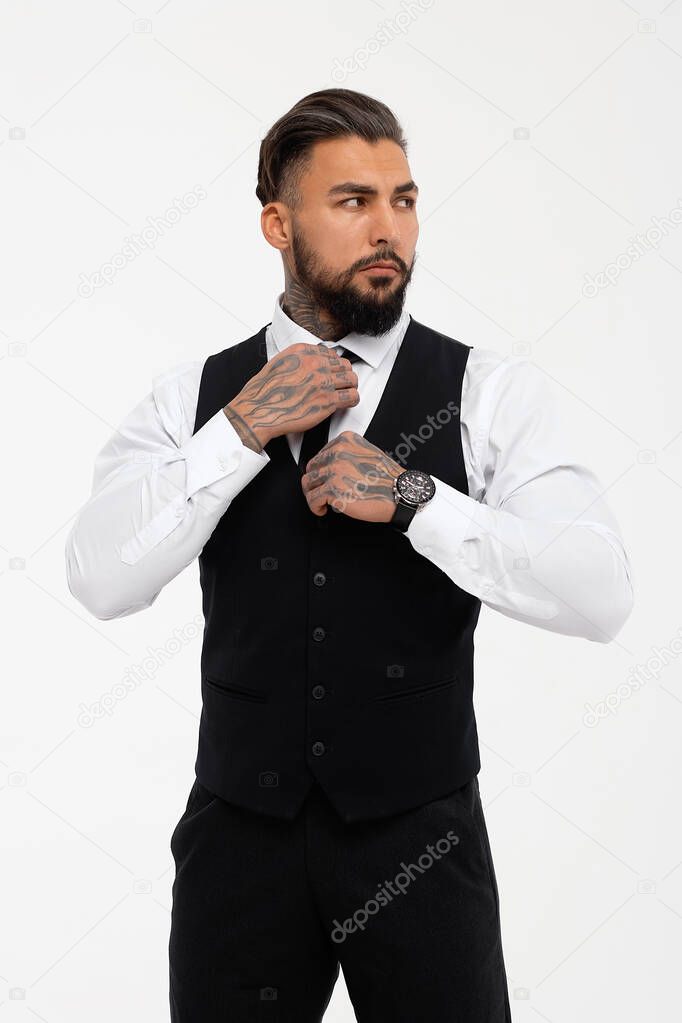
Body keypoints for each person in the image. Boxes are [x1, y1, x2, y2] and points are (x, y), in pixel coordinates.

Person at [65, 88, 633, 1022]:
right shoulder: (193, 397)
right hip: (240, 844)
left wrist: (416, 498)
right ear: (277, 223)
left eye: (403, 200)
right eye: (352, 202)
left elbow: (601, 591)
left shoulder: (487, 392)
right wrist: (240, 430)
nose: (388, 229)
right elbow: (98, 575)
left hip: (421, 841)